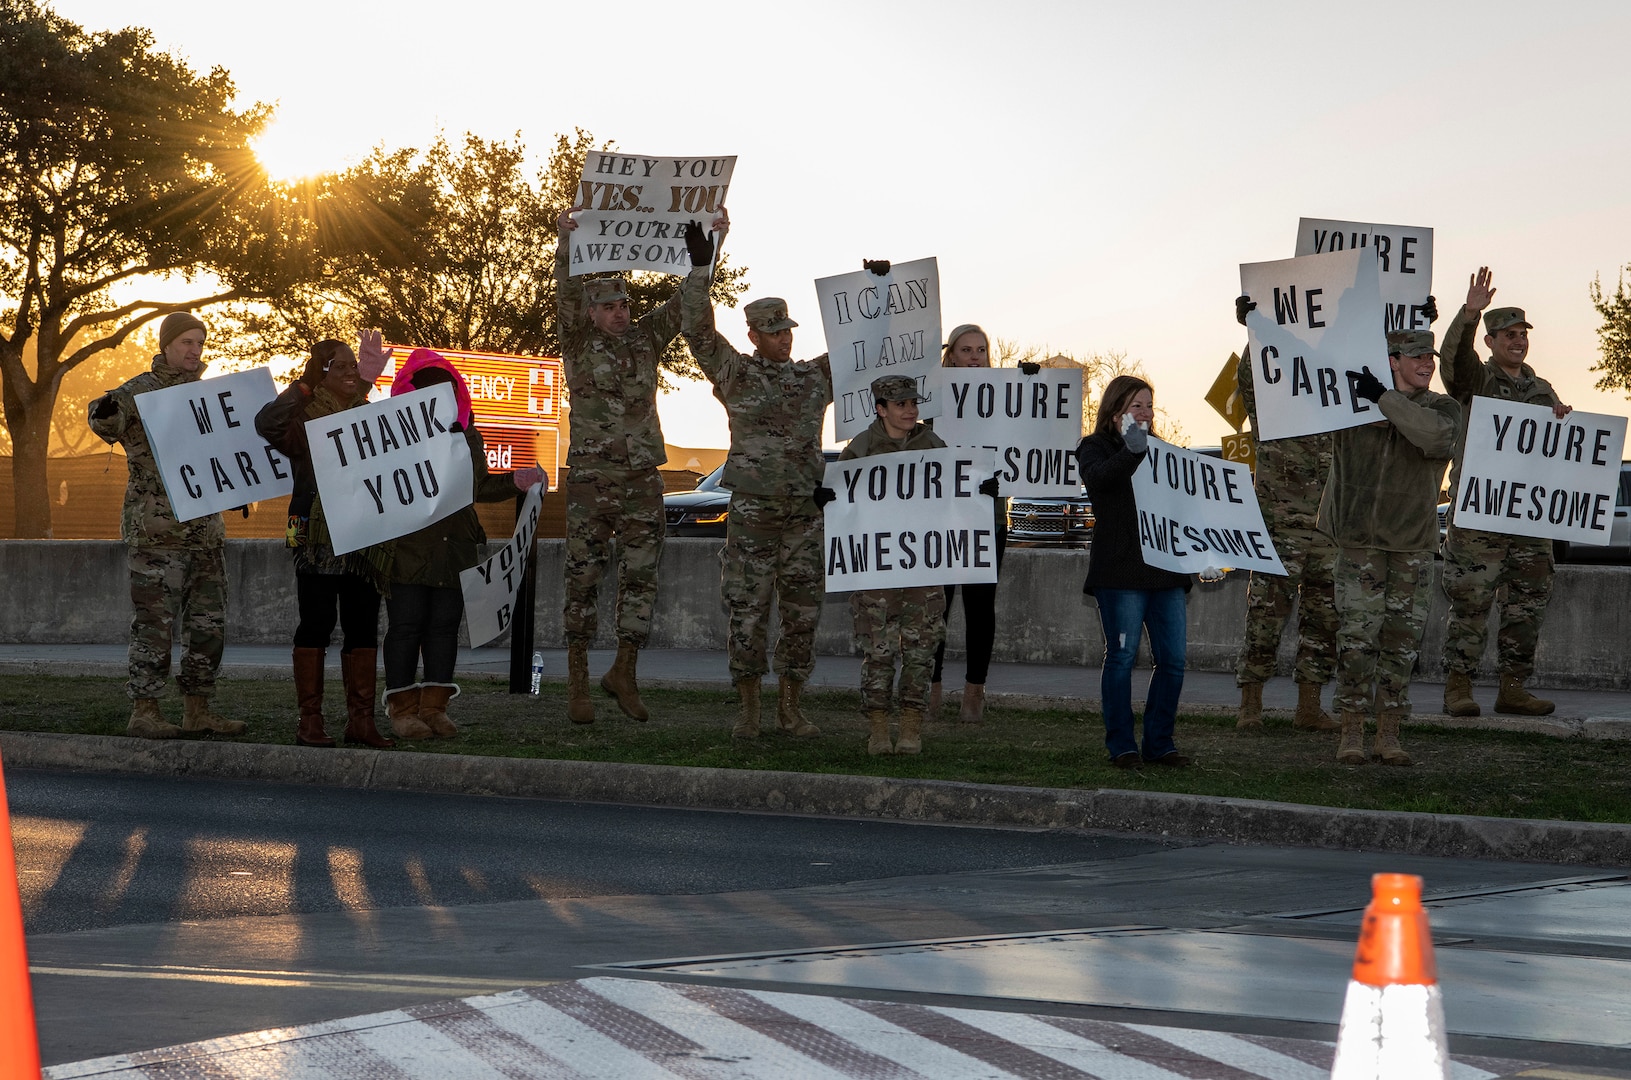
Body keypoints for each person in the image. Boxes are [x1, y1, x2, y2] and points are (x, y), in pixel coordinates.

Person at [678, 212, 830, 740]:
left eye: (787, 331)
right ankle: (749, 707)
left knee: (803, 614)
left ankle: (791, 705)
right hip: (753, 514)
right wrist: (703, 264)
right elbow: (696, 329)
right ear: (753, 335)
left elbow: (867, 350)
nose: (783, 340)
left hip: (805, 516)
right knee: (747, 611)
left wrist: (878, 292)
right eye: (772, 333)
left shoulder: (815, 377)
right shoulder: (736, 374)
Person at [87, 311, 246, 740]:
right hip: (157, 534)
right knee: (154, 627)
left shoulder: (212, 397)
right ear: (166, 345)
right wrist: (103, 410)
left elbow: (230, 450)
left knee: (207, 627)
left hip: (205, 534)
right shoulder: (142, 391)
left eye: (199, 342)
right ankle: (145, 710)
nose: (194, 350)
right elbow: (104, 420)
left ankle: (199, 710)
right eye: (185, 343)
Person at [554, 205, 682, 724]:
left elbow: (683, 306)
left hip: (640, 480)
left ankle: (623, 673)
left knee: (641, 579)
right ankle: (579, 681)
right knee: (582, 578)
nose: (620, 312)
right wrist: (565, 244)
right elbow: (563, 292)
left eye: (624, 304)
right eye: (608, 306)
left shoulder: (647, 340)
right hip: (591, 479)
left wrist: (706, 254)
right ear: (591, 313)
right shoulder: (577, 341)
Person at [381, 349, 543, 739]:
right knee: (405, 627)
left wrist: (516, 481)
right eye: (436, 395)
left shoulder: (468, 433)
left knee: (444, 629)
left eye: (451, 393)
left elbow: (478, 487)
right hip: (406, 550)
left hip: (455, 547)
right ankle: (402, 710)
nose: (447, 401)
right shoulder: (390, 437)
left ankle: (435, 708)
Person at [1322, 334, 1461, 765]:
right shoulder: (1352, 402)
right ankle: (1351, 732)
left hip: (1411, 547)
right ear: (1392, 360)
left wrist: (1384, 398)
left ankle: (1389, 733)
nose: (1427, 364)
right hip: (1360, 543)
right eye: (1417, 357)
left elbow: (1436, 439)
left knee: (1402, 646)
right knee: (1356, 642)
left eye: (1430, 357)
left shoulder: (1441, 407)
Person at [839, 374, 995, 756]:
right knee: (878, 651)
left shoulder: (932, 443)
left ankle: (911, 726)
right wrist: (828, 496)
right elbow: (841, 506)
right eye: (901, 404)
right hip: (877, 568)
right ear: (881, 409)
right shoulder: (860, 450)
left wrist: (980, 491)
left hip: (923, 567)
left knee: (921, 649)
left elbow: (954, 492)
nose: (910, 410)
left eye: (914, 404)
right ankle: (878, 728)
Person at [254, 332, 396, 748]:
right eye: (342, 365)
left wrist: (363, 382)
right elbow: (268, 423)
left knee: (363, 625)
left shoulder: (368, 413)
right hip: (314, 536)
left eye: (356, 365)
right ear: (321, 373)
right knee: (316, 623)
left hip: (364, 537)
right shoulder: (304, 419)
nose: (352, 370)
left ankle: (362, 722)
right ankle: (310, 722)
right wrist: (302, 385)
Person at [1439, 268, 1570, 718]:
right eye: (1508, 335)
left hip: (1530, 517)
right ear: (1491, 341)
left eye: (1522, 334)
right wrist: (1469, 313)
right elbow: (1453, 361)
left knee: (1527, 604)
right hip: (1480, 514)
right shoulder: (1477, 381)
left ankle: (1513, 688)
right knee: (1471, 602)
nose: (1518, 341)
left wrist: (1563, 420)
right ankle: (1459, 688)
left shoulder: (1541, 388)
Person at [1229, 295, 1340, 734]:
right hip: (1280, 531)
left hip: (1330, 532)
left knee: (1324, 622)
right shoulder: (1272, 410)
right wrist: (1255, 329)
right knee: (1265, 617)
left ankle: (1309, 707)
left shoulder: (1341, 413)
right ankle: (1250, 703)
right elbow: (1250, 379)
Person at [1074, 375, 1190, 768]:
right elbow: (1100, 480)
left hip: (1166, 572)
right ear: (1115, 409)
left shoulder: (1165, 451)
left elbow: (1184, 505)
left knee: (1173, 659)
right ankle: (1122, 746)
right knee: (1121, 657)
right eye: (1135, 405)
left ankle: (1160, 743)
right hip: (1120, 573)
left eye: (1148, 405)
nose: (1144, 413)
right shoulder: (1094, 447)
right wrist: (1132, 451)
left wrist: (1203, 550)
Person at [928, 324, 1027, 725]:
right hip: (939, 518)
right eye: (965, 350)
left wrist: (1032, 384)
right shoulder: (930, 399)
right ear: (950, 355)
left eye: (981, 350)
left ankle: (974, 693)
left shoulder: (1006, 399)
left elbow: (1029, 447)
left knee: (980, 608)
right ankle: (929, 689)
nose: (974, 357)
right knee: (935, 607)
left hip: (987, 518)